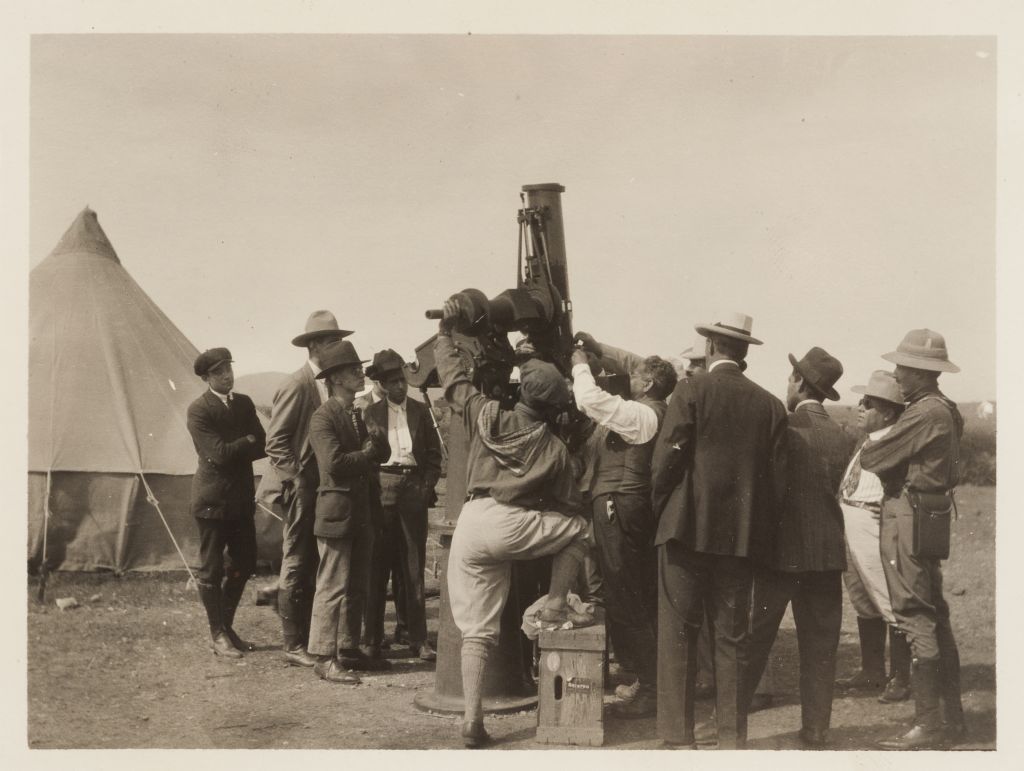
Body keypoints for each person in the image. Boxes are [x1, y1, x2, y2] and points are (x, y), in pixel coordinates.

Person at [436, 296, 594, 749]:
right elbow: (570, 506)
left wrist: (446, 334)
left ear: (522, 392)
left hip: (472, 524)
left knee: (476, 632)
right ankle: (555, 605)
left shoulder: (487, 414)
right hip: (512, 526)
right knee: (580, 531)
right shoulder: (554, 449)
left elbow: (455, 382)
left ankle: (472, 720)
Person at [651, 312, 787, 749]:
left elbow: (666, 460)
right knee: (731, 639)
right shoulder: (771, 405)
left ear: (710, 346)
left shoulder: (690, 390)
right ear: (744, 352)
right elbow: (777, 484)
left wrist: (660, 509)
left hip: (685, 531)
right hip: (740, 541)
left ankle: (678, 738)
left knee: (678, 634)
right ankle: (731, 740)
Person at [861, 330, 966, 750]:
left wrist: (886, 452)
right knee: (934, 613)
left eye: (902, 368)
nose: (897, 375)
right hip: (928, 515)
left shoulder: (923, 413)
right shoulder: (947, 409)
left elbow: (872, 457)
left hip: (908, 515)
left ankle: (929, 724)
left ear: (922, 372)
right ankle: (950, 718)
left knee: (914, 612)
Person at [745, 347, 854, 747]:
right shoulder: (842, 434)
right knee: (821, 646)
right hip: (826, 553)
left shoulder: (785, 428)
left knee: (754, 641)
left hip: (781, 554)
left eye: (791, 378)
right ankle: (816, 728)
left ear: (799, 383)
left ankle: (728, 722)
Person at [571, 332, 677, 719]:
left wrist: (580, 364)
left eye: (636, 377)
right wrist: (599, 349)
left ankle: (651, 688)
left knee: (626, 598)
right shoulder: (655, 407)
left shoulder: (643, 415)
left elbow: (589, 399)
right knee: (635, 596)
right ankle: (649, 679)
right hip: (625, 508)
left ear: (647, 384)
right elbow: (634, 365)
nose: (628, 378)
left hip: (620, 508)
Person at [260, 311, 351, 667]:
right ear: (313, 346)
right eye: (331, 342)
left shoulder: (328, 383)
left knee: (315, 560)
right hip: (300, 487)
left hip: (323, 489)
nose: (337, 348)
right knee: (296, 559)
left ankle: (313, 638)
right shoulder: (298, 384)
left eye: (339, 342)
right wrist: (295, 479)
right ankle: (292, 642)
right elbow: (275, 441)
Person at [306, 340, 392, 684]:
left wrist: (377, 441)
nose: (361, 374)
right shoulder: (323, 417)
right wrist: (368, 454)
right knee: (332, 586)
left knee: (358, 585)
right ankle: (323, 657)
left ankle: (348, 649)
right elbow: (335, 464)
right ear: (335, 378)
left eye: (359, 368)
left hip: (362, 512)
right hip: (337, 513)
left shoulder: (359, 413)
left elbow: (381, 454)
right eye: (353, 370)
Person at [835, 371, 912, 703]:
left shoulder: (894, 441)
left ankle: (901, 677)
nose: (860, 407)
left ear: (889, 412)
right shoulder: (867, 439)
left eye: (869, 403)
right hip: (850, 517)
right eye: (861, 401)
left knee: (885, 595)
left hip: (870, 519)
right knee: (861, 596)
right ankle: (872, 670)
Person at [362, 349, 443, 662]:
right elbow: (365, 455)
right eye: (392, 381)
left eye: (402, 380)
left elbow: (434, 456)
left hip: (413, 489)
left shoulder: (421, 411)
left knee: (413, 567)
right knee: (377, 566)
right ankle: (372, 639)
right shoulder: (370, 413)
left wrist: (426, 486)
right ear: (381, 384)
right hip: (382, 488)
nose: (399, 386)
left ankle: (419, 639)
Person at [186, 348, 267, 658]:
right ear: (206, 378)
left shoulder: (244, 403)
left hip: (240, 498)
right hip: (212, 500)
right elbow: (218, 454)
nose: (226, 376)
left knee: (245, 562)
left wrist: (243, 444)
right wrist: (246, 440)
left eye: (229, 369)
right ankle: (217, 633)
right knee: (211, 569)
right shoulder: (199, 410)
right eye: (218, 372)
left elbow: (262, 444)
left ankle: (226, 626)